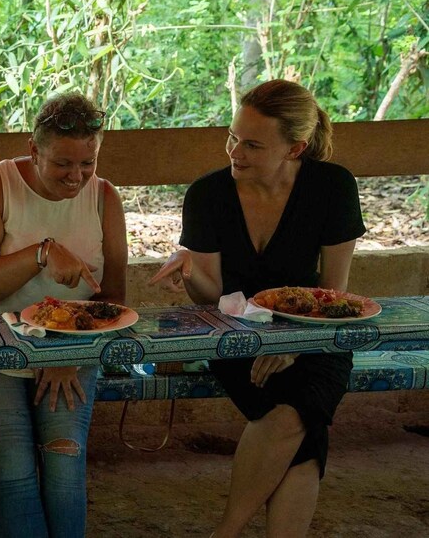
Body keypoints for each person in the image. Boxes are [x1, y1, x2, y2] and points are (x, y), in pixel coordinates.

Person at [149, 79, 365, 537]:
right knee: (302, 422)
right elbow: (211, 297)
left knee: (294, 413)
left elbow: (334, 295)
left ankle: (225, 532)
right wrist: (187, 271)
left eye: (251, 144)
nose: (234, 151)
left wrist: (295, 345)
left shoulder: (333, 188)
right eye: (232, 136)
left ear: (294, 149)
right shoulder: (207, 194)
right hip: (235, 336)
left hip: (316, 335)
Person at [0, 92, 128, 537]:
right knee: (13, 465)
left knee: (64, 461)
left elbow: (114, 301)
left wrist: (67, 352)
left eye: (87, 164)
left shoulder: (105, 198)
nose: (76, 177)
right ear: (33, 149)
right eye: (63, 164)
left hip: (72, 348)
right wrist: (40, 254)